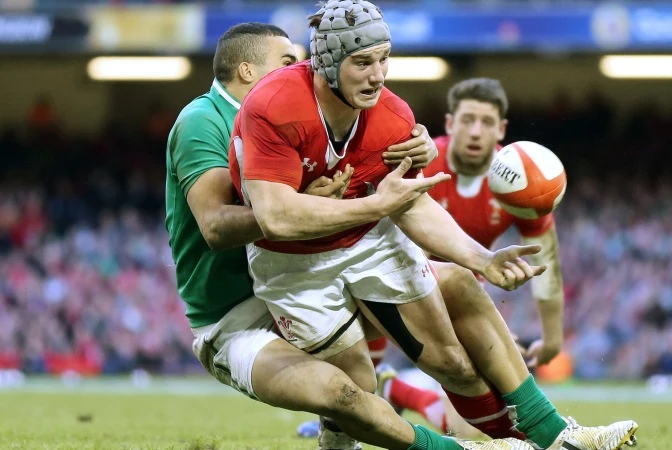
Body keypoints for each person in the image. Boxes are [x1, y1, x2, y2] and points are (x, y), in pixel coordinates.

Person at [231, 2, 638, 450]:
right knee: (355, 390)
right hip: (292, 264)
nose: (378, 74)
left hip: (368, 241)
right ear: (326, 63)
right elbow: (275, 218)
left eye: (384, 58)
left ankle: (556, 438)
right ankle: (342, 435)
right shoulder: (273, 104)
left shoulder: (392, 116)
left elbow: (411, 206)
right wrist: (375, 206)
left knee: (454, 364)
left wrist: (482, 259)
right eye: (362, 63)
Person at [164, 22, 521, 450]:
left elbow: (367, 154)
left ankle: (541, 430)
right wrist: (295, 206)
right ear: (246, 71)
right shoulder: (205, 120)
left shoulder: (301, 114)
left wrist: (421, 143)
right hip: (237, 316)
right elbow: (217, 226)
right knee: (347, 393)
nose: (300, 70)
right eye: (287, 61)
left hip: (307, 271)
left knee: (456, 284)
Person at [372, 78, 568, 438]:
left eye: (487, 122)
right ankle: (364, 396)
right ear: (449, 124)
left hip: (461, 299)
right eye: (467, 120)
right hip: (393, 283)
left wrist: (553, 338)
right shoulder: (420, 164)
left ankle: (395, 390)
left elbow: (548, 262)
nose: (476, 132)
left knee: (472, 433)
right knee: (358, 379)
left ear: (502, 129)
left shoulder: (523, 179)